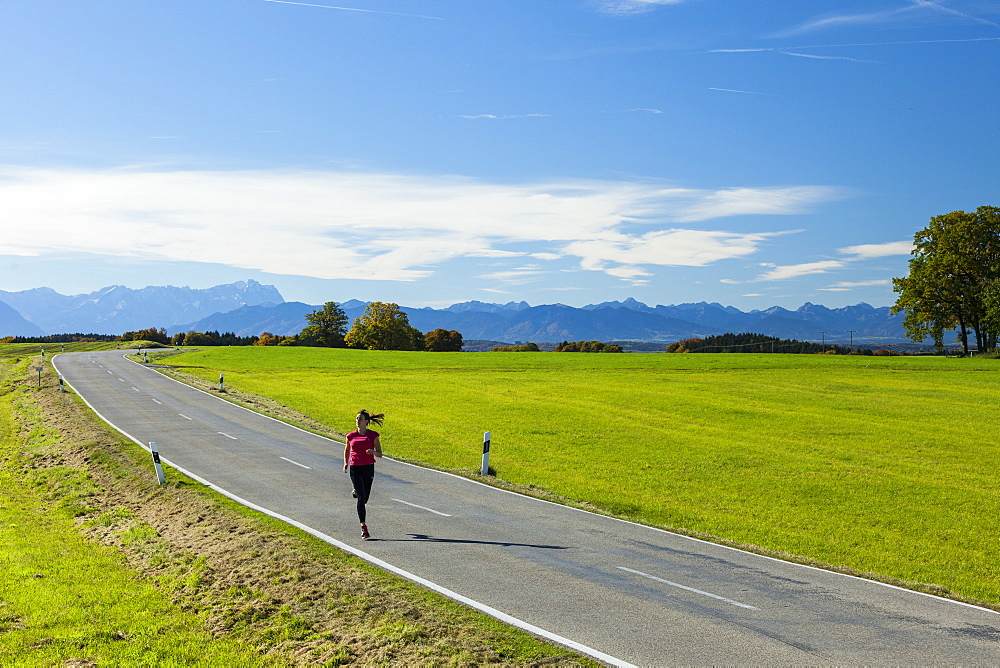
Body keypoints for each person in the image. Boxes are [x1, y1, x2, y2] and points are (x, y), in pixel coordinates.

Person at [343, 409, 384, 540]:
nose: (358, 421)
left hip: (368, 468)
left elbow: (380, 454)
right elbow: (347, 450)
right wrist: (346, 463)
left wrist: (373, 451)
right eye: (357, 418)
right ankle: (364, 527)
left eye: (360, 419)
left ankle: (357, 489)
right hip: (355, 467)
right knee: (361, 498)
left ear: (366, 421)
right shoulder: (350, 436)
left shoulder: (373, 435)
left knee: (365, 499)